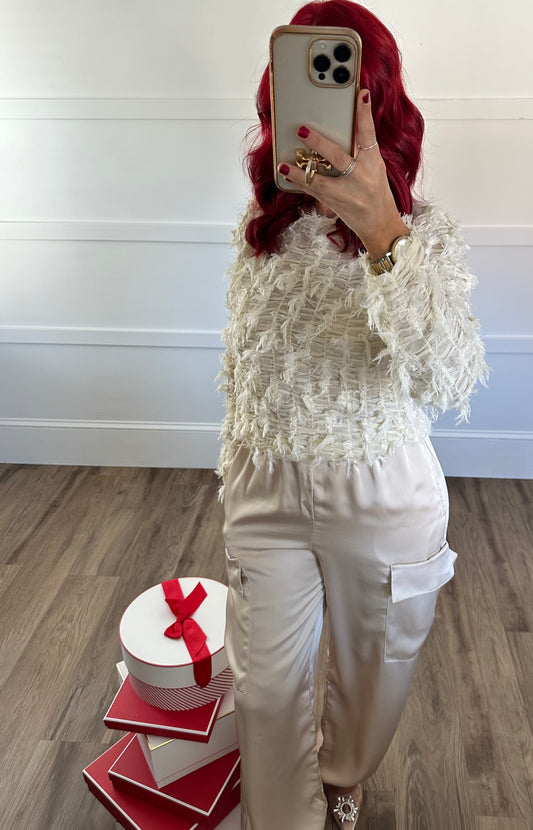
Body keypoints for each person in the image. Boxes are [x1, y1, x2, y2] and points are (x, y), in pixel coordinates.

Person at [215, 2, 491, 828]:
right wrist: (236, 469)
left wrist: (384, 238)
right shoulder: (259, 232)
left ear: (381, 110)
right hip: (265, 488)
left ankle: (341, 778)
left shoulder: (424, 237)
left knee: (375, 678)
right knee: (263, 694)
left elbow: (449, 377)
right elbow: (246, 366)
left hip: (382, 492)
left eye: (348, 99)